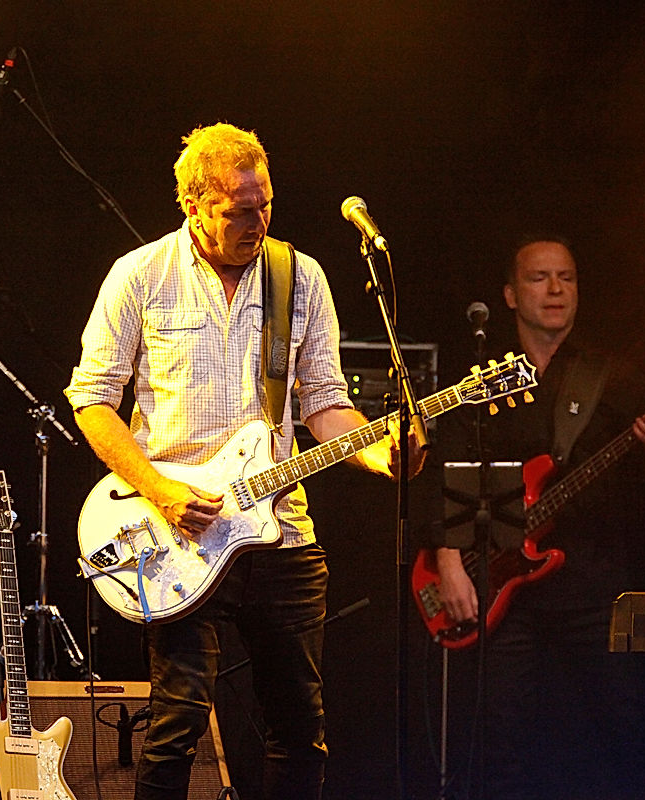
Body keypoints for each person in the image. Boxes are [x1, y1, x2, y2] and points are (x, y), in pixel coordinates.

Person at [64, 122, 425, 800]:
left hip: (280, 530)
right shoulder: (139, 277)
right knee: (176, 725)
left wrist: (380, 453)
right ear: (194, 205)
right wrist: (160, 490)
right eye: (238, 209)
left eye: (266, 204)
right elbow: (91, 401)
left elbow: (324, 402)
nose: (257, 221)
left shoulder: (300, 277)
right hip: (177, 531)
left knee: (299, 727)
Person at [433, 237, 645, 799]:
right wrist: (449, 559)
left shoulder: (613, 377)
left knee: (627, 740)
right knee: (499, 750)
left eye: (566, 278)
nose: (555, 290)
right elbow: (447, 470)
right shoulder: (484, 376)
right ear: (511, 295)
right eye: (540, 278)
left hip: (594, 591)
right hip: (499, 591)